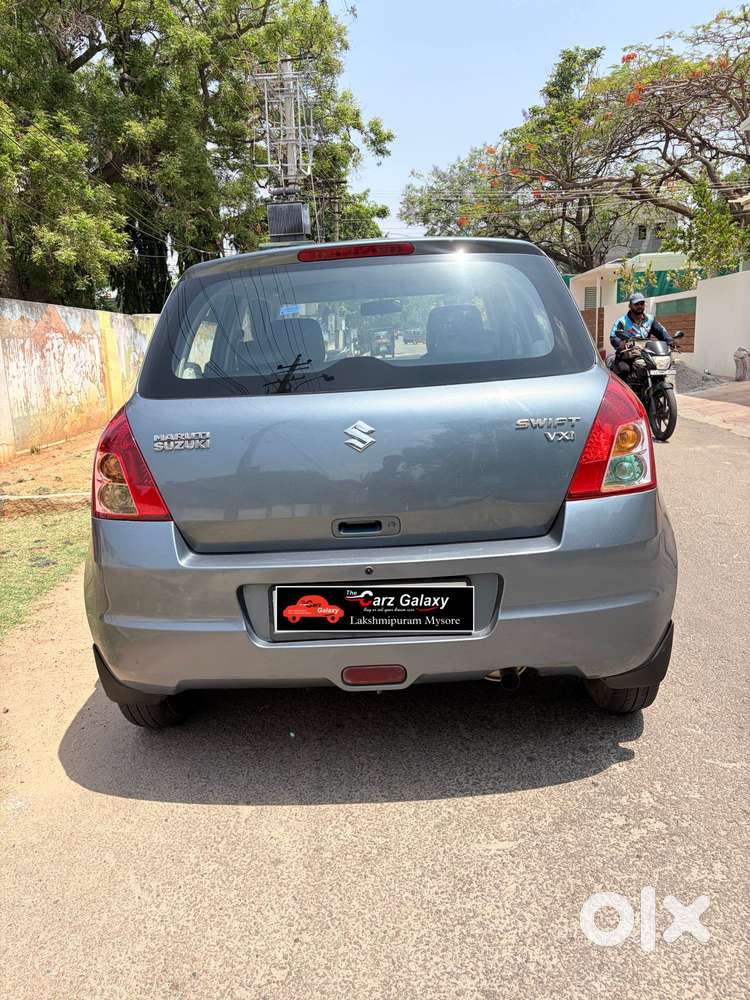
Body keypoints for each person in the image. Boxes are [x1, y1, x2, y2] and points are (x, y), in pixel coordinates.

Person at [610, 292, 673, 379]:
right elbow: (613, 337)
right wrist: (620, 344)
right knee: (624, 370)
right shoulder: (622, 321)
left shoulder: (650, 319)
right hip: (627, 356)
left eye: (641, 303)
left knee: (658, 370)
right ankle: (623, 392)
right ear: (630, 305)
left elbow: (661, 331)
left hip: (646, 354)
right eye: (636, 304)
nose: (639, 306)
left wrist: (670, 341)